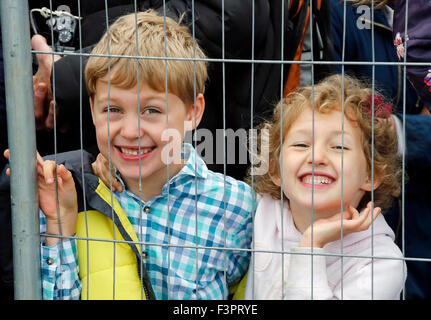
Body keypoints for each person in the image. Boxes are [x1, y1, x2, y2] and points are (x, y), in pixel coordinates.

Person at [4, 10, 255, 300]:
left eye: (152, 111)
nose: (131, 131)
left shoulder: (236, 207)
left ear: (192, 112)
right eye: (113, 110)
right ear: (93, 109)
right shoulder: (70, 196)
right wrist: (58, 225)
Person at [243, 75, 406, 300]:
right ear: (274, 169)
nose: (317, 157)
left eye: (339, 146)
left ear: (371, 175)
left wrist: (312, 243)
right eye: (301, 144)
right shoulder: (258, 212)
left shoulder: (382, 262)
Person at [330, 0, 431, 299]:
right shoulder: (337, 11)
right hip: (363, 212)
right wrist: (409, 131)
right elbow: (337, 112)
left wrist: (398, 131)